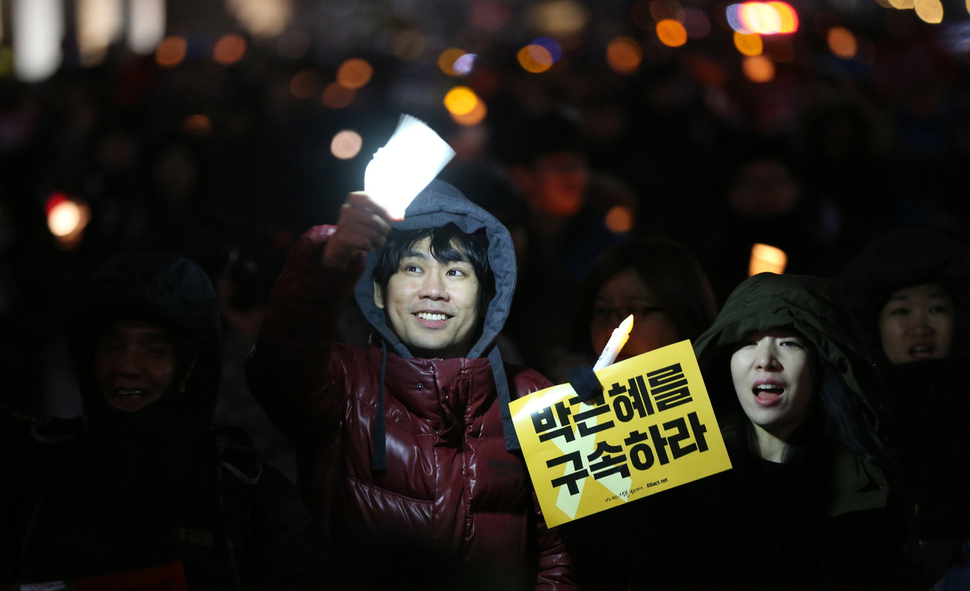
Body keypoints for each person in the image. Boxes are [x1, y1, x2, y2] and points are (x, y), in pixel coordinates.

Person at [244, 180, 576, 589]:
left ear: (488, 295)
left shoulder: (530, 397)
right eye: (413, 268)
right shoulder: (344, 383)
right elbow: (281, 365)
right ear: (380, 291)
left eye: (456, 271)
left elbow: (559, 558)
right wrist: (328, 263)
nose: (433, 291)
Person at [12, 252, 328, 590]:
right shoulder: (33, 475)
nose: (127, 366)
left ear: (191, 366)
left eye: (155, 350)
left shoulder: (249, 501)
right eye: (113, 346)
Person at [642, 272, 919, 590]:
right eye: (748, 342)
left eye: (788, 342)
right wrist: (588, 417)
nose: (765, 361)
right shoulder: (682, 475)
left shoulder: (870, 486)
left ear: (821, 363)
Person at [556, 235, 719, 590]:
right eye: (602, 311)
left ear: (683, 314)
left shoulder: (727, 411)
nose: (616, 330)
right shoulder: (565, 403)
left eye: (635, 311)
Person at [839, 227, 970, 589]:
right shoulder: (848, 415)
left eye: (936, 308)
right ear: (873, 326)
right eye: (901, 310)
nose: (920, 326)